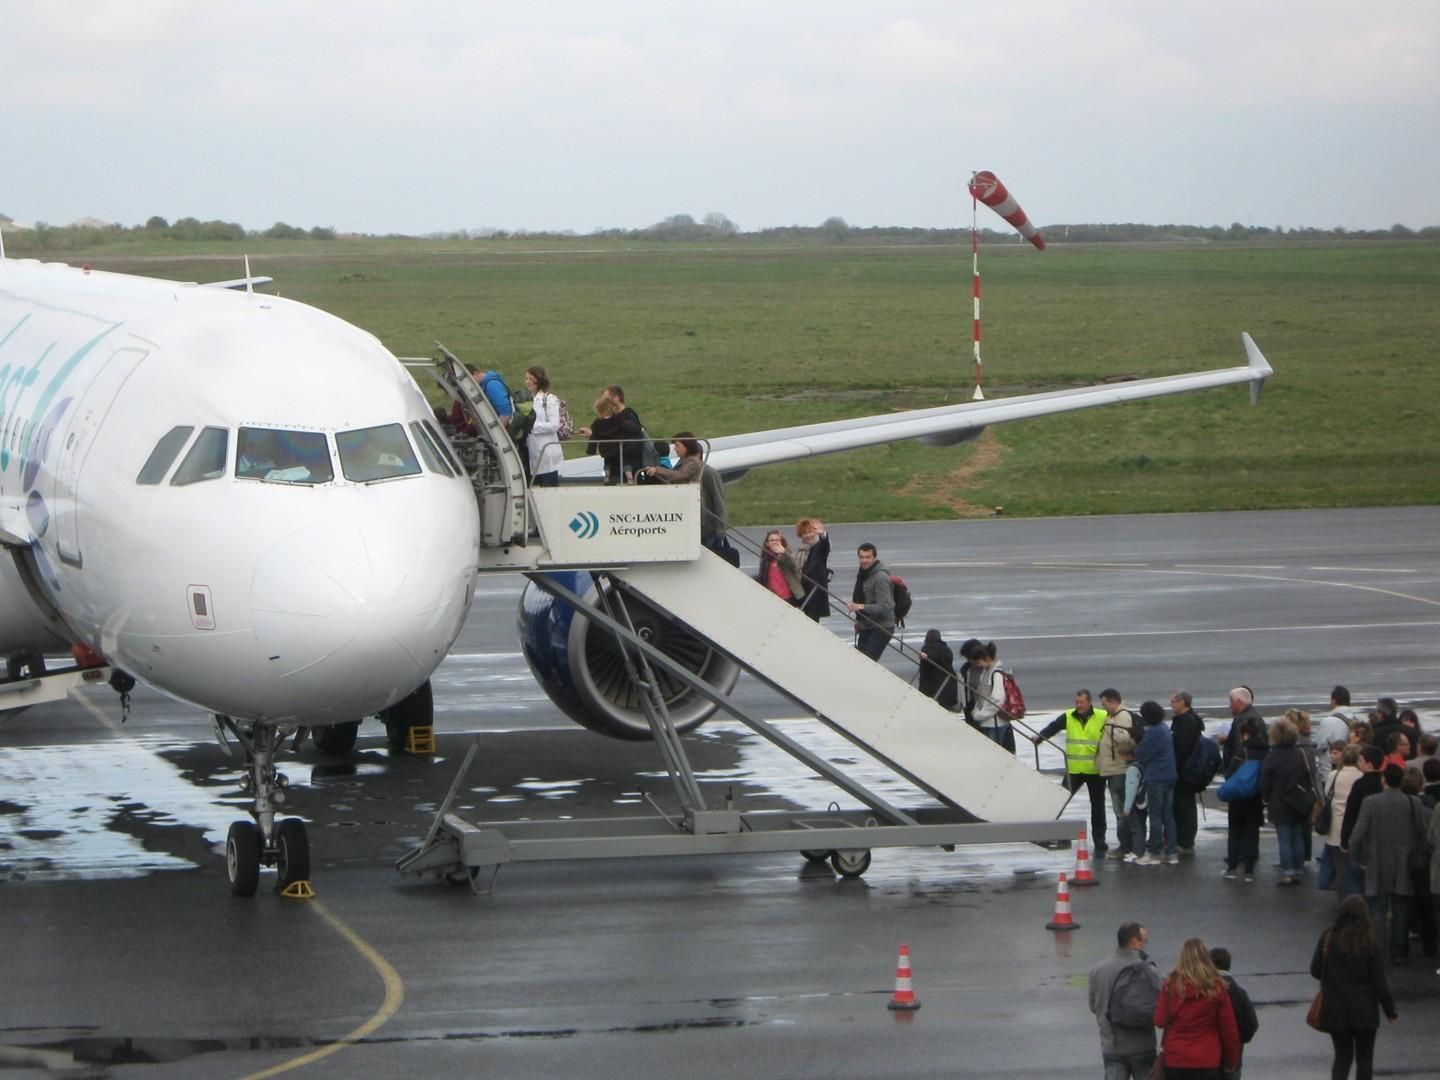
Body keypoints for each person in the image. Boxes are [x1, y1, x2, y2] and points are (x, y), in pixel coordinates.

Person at [1310, 895, 1397, 1080]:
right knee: (1365, 1060)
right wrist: (1390, 1010)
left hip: (1335, 1009)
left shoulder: (1329, 937)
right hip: (1364, 1010)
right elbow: (1379, 980)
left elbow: (1316, 970)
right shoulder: (1369, 941)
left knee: (1342, 1059)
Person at [1348, 763, 1428, 964]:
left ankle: (1380, 952)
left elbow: (1357, 835)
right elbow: (1421, 832)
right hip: (1404, 862)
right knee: (1400, 908)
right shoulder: (1413, 803)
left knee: (1378, 909)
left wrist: (1358, 857)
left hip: (1376, 861)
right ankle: (1398, 952)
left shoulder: (1370, 802)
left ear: (1384, 780)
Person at [1032, 690, 1111, 854]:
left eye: (1081, 702)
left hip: (1095, 770)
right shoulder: (1068, 716)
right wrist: (1039, 738)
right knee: (1059, 800)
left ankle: (1100, 841)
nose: (1078, 706)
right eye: (1077, 702)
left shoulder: (1102, 716)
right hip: (1074, 771)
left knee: (1098, 806)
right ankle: (1044, 832)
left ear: (1089, 703)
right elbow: (1052, 727)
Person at [1152, 937, 1240, 1079]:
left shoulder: (1170, 985)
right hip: (1207, 1058)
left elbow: (1159, 1020)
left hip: (1176, 1059)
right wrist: (1231, 1061)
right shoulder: (1216, 987)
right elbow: (1229, 1029)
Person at [1087, 921, 1158, 1079]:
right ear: (1133, 942)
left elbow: (1093, 1006)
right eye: (1143, 941)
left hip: (1112, 1046)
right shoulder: (1149, 970)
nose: (1145, 946)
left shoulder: (1098, 970)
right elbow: (1160, 1006)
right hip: (1143, 1045)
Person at [1259, 714, 1316, 886]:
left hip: (1279, 802)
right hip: (1299, 801)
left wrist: (1266, 798)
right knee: (1298, 835)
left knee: (1284, 838)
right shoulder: (1301, 754)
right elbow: (1310, 775)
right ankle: (1298, 869)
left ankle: (1288, 871)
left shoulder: (1271, 757)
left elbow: (1265, 782)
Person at [1222, 707, 1269, 882]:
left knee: (1235, 832)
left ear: (1244, 735)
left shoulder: (1242, 752)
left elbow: (1230, 774)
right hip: (1256, 798)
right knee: (1252, 833)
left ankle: (1232, 867)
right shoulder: (1266, 752)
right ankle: (1249, 870)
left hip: (1239, 797)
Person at [1133, 701, 1179, 866]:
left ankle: (1154, 852)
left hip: (1156, 777)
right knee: (1169, 815)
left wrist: (1136, 746)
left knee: (1155, 816)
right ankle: (1172, 852)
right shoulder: (1165, 728)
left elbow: (1141, 753)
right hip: (1170, 775)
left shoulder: (1153, 732)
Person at [1095, 690, 1139, 861]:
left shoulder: (1122, 717)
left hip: (1118, 771)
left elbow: (1124, 740)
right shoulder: (1114, 717)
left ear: (1113, 702)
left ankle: (1125, 846)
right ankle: (1127, 845)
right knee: (1120, 810)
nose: (1103, 707)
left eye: (1105, 704)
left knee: (1121, 811)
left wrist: (1110, 728)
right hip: (1112, 770)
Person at [1324, 745, 1366, 905]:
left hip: (1336, 826)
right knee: (1358, 868)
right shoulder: (1361, 776)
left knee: (1341, 870)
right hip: (1356, 825)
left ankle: (1343, 902)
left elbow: (1327, 793)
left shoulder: (1334, 775)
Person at [1208, 947, 1259, 1080]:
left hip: (1207, 1055)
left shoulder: (1206, 990)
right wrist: (1239, 1039)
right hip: (1233, 1055)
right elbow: (1251, 1023)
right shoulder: (1240, 993)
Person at [1169, 690, 1206, 855]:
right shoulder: (1185, 719)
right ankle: (1182, 839)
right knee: (1183, 806)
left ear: (1183, 702)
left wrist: (1177, 769)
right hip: (1185, 770)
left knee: (1184, 806)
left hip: (1185, 772)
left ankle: (1185, 842)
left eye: (1174, 701)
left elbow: (1183, 749)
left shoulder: (1186, 721)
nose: (1171, 704)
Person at [580, 389, 642, 484]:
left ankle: (609, 476)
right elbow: (635, 429)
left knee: (608, 464)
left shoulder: (626, 415)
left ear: (616, 398)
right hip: (620, 457)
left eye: (606, 398)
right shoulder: (619, 419)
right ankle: (628, 477)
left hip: (618, 456)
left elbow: (635, 433)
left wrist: (591, 449)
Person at [847, 543, 895, 662]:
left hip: (881, 627)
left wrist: (860, 607)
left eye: (868, 557)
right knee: (860, 662)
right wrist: (859, 620)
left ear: (874, 558)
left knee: (867, 664)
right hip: (867, 624)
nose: (864, 560)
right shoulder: (863, 574)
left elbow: (885, 607)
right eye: (861, 557)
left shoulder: (880, 578)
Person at [523, 366, 564, 487]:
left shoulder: (549, 399)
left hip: (546, 452)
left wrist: (531, 427)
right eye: (526, 378)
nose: (528, 382)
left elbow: (554, 425)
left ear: (539, 380)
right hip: (531, 452)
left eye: (531, 379)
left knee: (549, 487)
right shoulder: (526, 399)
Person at [1314, 686, 1359, 781]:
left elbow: (1318, 746)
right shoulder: (1358, 720)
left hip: (1331, 774)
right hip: (1356, 771)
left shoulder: (1328, 721)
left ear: (1334, 701)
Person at [793, 518, 832, 621]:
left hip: (814, 595)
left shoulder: (819, 547)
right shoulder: (801, 550)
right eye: (804, 533)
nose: (808, 535)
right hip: (802, 594)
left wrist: (823, 534)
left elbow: (826, 546)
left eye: (810, 531)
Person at [756, 530, 802, 605]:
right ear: (767, 543)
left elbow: (796, 567)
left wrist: (785, 553)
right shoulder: (765, 559)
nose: (775, 542)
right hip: (771, 596)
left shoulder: (786, 555)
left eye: (777, 539)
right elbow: (762, 577)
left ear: (781, 542)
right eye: (772, 540)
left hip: (787, 597)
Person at [916, 629, 959, 710]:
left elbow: (933, 656)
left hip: (933, 689)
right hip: (949, 685)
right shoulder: (946, 649)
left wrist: (926, 656)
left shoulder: (927, 648)